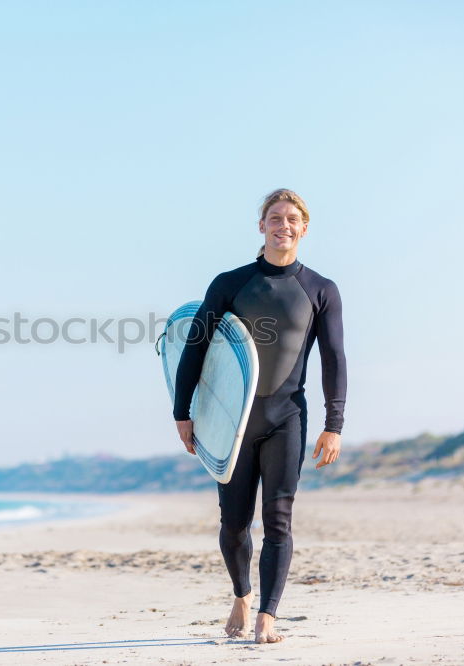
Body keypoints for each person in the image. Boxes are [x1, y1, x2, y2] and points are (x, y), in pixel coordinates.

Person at [172, 188, 346, 644]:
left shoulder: (321, 290)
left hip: (287, 414)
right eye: (274, 218)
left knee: (279, 519)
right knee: (233, 524)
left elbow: (334, 357)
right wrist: (182, 411)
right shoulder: (231, 283)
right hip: (231, 423)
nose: (282, 225)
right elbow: (195, 345)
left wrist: (334, 424)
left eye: (291, 218)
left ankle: (268, 616)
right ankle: (241, 595)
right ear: (261, 226)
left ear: (303, 228)